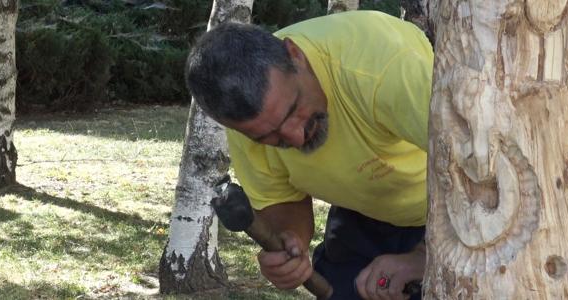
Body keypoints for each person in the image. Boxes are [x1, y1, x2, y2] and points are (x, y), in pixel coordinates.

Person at [185, 10, 433, 300]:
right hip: (362, 209)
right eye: (269, 137)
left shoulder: (384, 66)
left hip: (453, 212)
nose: (295, 137)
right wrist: (291, 242)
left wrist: (427, 257)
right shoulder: (248, 123)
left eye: (293, 110)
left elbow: (490, 173)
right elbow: (280, 200)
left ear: (296, 55)